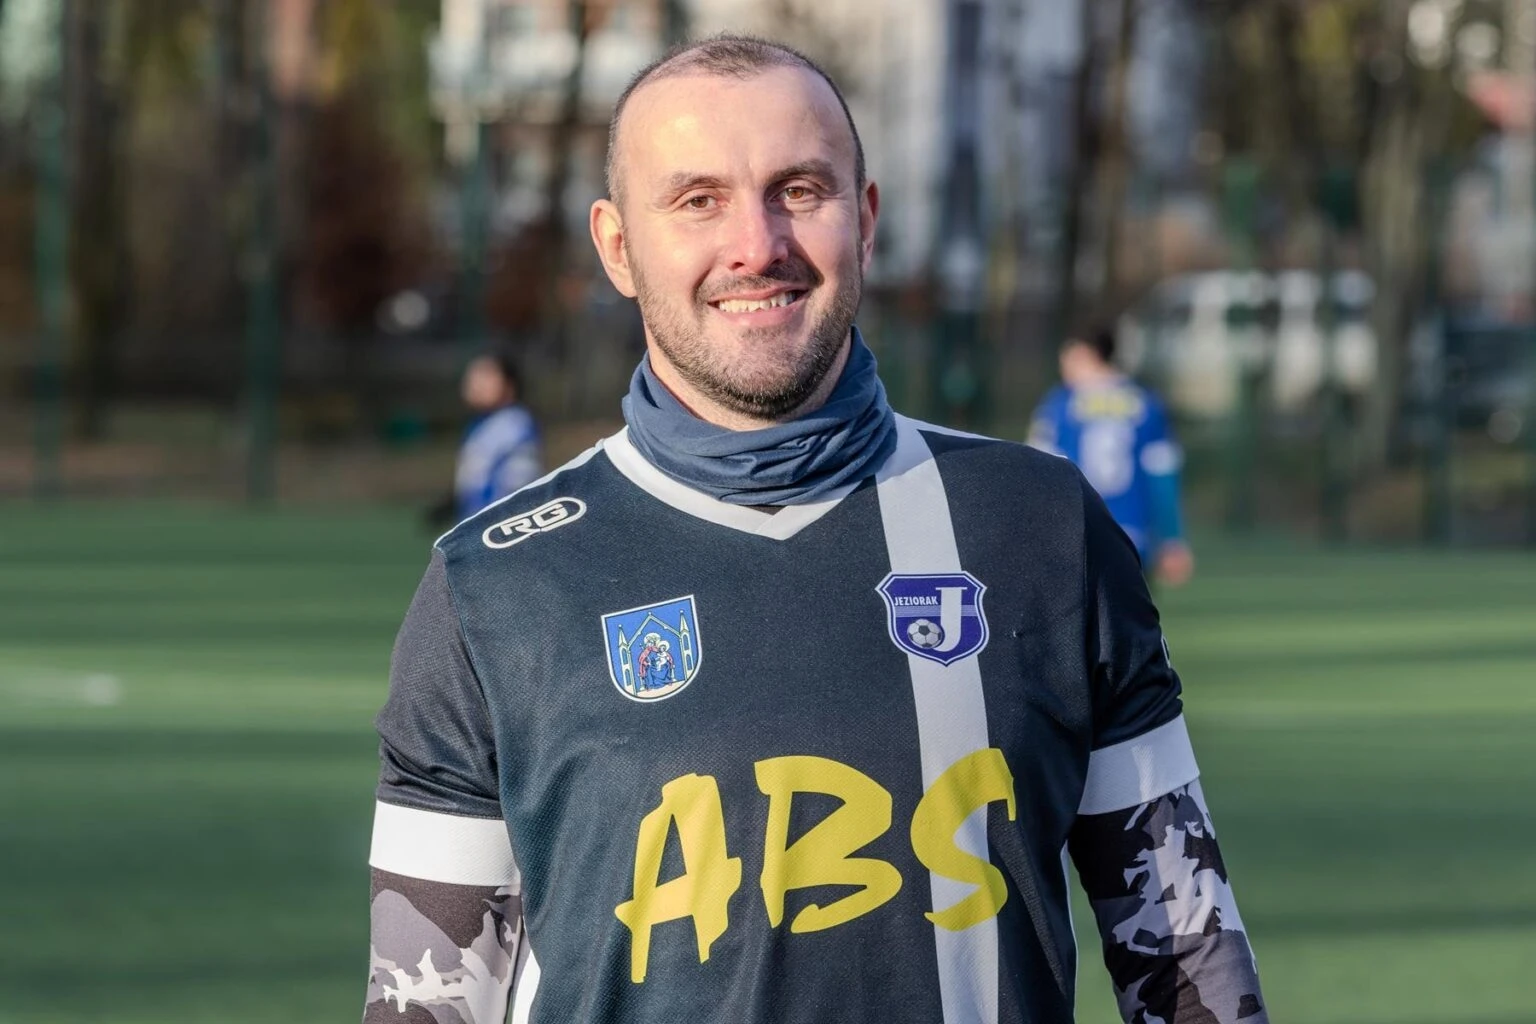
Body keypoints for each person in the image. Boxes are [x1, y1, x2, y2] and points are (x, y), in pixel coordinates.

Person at [365, 35, 1265, 1024]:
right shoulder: (493, 585)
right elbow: (423, 1005)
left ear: (865, 221)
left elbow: (1188, 962)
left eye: (798, 190)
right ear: (617, 247)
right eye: (698, 199)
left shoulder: (1046, 530)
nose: (756, 245)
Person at [1029, 325, 1194, 587]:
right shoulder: (1148, 403)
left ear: (1089, 354)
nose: (1064, 368)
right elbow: (1162, 477)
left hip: (1076, 531)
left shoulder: (1059, 405)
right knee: (1130, 612)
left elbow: (1037, 474)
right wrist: (1172, 539)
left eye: (1069, 359)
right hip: (1132, 534)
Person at [449, 351, 544, 524]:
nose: (475, 384)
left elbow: (517, 484)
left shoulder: (514, 422)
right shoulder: (480, 425)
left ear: (509, 383)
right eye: (472, 377)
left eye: (486, 376)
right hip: (477, 523)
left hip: (497, 524)